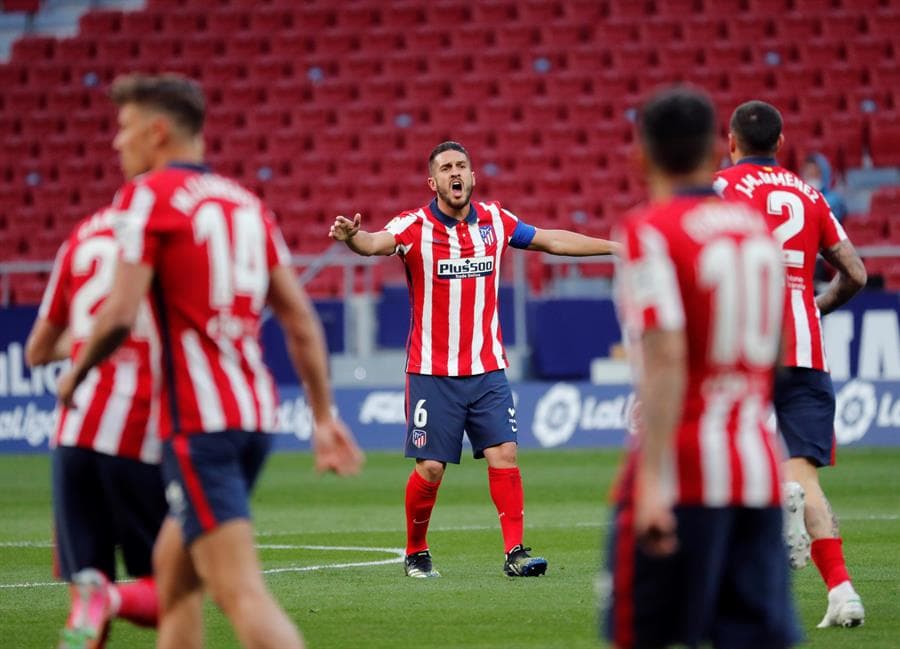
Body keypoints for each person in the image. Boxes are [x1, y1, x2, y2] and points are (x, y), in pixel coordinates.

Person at [56, 73, 364, 649]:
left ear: (157, 132)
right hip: (253, 418)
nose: (115, 143)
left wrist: (74, 373)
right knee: (174, 582)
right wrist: (322, 417)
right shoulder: (247, 205)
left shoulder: (147, 197)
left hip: (200, 425)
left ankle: (103, 597)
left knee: (239, 592)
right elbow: (298, 317)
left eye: (123, 130)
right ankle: (112, 599)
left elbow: (120, 314)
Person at [329, 140, 618, 579]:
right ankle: (416, 550)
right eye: (445, 168)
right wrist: (353, 238)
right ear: (434, 182)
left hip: (487, 368)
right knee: (430, 467)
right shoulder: (413, 226)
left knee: (505, 453)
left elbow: (552, 240)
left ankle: (515, 552)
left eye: (461, 165)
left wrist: (615, 248)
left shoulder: (496, 221)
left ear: (472, 176)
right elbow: (374, 243)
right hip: (431, 372)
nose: (455, 172)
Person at [604, 87, 800, 648]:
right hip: (759, 469)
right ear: (717, 151)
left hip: (686, 472)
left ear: (640, 157)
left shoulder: (649, 229)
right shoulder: (756, 230)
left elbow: (665, 355)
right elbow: (781, 350)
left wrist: (650, 483)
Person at [714, 100, 867, 629]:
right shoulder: (811, 194)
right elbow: (855, 272)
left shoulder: (720, 189)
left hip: (746, 349)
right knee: (803, 473)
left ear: (731, 142)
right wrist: (812, 304)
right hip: (804, 349)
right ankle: (842, 592)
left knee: (725, 463)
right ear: (780, 145)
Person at [26, 205, 166, 649]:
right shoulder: (165, 236)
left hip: (72, 433)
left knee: (85, 596)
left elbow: (37, 351)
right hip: (136, 431)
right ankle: (112, 598)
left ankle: (99, 597)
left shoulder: (81, 236)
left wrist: (87, 337)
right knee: (173, 594)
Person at [800, 153, 847, 222]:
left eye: (814, 173)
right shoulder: (798, 198)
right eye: (808, 173)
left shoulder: (835, 199)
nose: (811, 177)